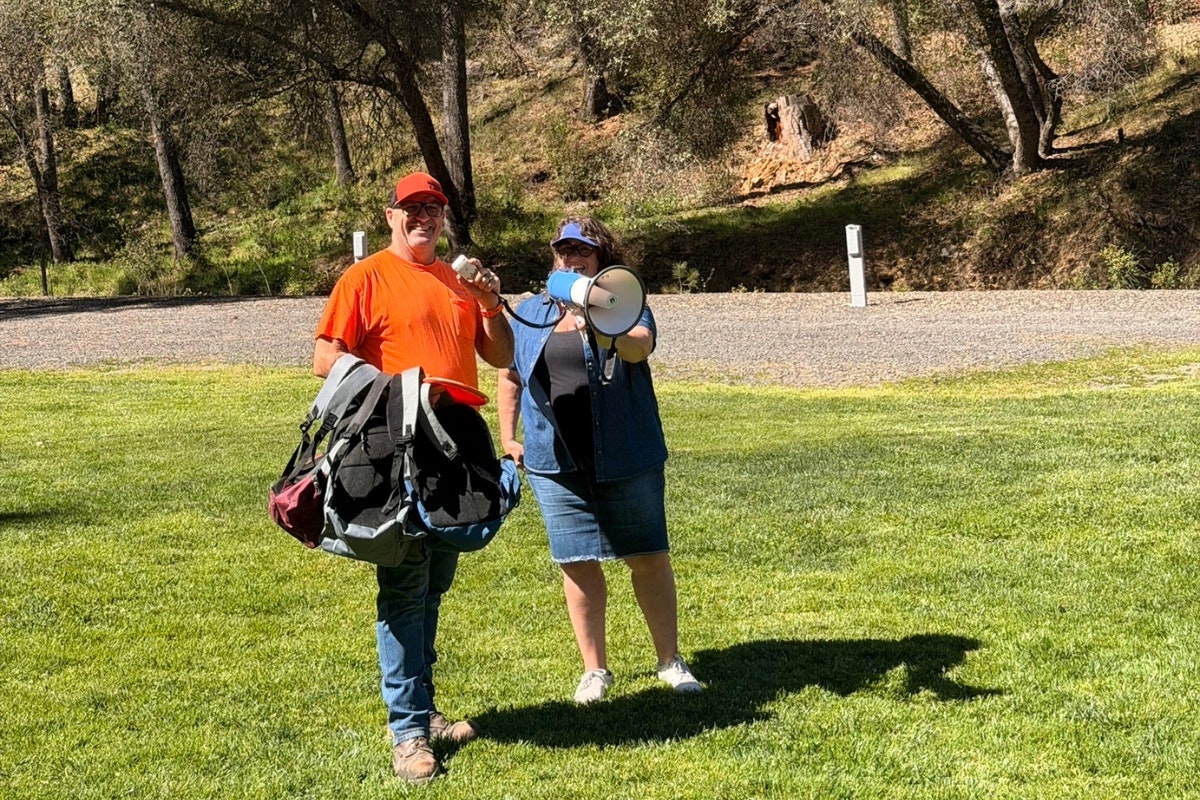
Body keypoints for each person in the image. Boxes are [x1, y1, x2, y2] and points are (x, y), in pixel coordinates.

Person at [312, 171, 513, 783]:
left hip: (455, 448)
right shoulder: (365, 277)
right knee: (405, 584)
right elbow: (325, 357)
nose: (424, 216)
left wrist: (489, 301)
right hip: (396, 443)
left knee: (434, 580)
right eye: (413, 208)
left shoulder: (457, 278)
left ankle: (421, 713)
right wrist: (395, 389)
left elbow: (500, 355)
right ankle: (407, 734)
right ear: (390, 216)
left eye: (434, 208)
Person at [496, 216, 702, 705]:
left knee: (647, 557)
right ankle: (595, 671)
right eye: (563, 250)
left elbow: (640, 348)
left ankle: (669, 660)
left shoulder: (622, 302)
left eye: (581, 252)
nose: (571, 259)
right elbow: (510, 376)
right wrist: (508, 436)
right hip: (555, 461)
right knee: (577, 564)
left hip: (627, 453)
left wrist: (601, 323)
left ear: (600, 258)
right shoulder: (530, 312)